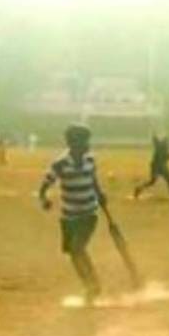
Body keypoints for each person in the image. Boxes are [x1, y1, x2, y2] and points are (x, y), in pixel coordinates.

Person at [39, 124, 109, 305]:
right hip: (68, 217)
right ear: (73, 142)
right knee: (73, 252)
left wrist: (100, 195)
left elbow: (94, 181)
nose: (88, 144)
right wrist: (44, 199)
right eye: (84, 140)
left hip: (88, 214)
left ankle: (93, 285)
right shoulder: (60, 164)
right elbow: (45, 184)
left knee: (77, 248)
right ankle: (90, 284)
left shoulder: (90, 160)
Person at [134, 133, 169, 200]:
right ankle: (138, 188)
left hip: (160, 166)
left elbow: (167, 157)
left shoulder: (163, 148)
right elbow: (155, 141)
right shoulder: (160, 146)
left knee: (168, 180)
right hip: (157, 166)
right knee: (154, 181)